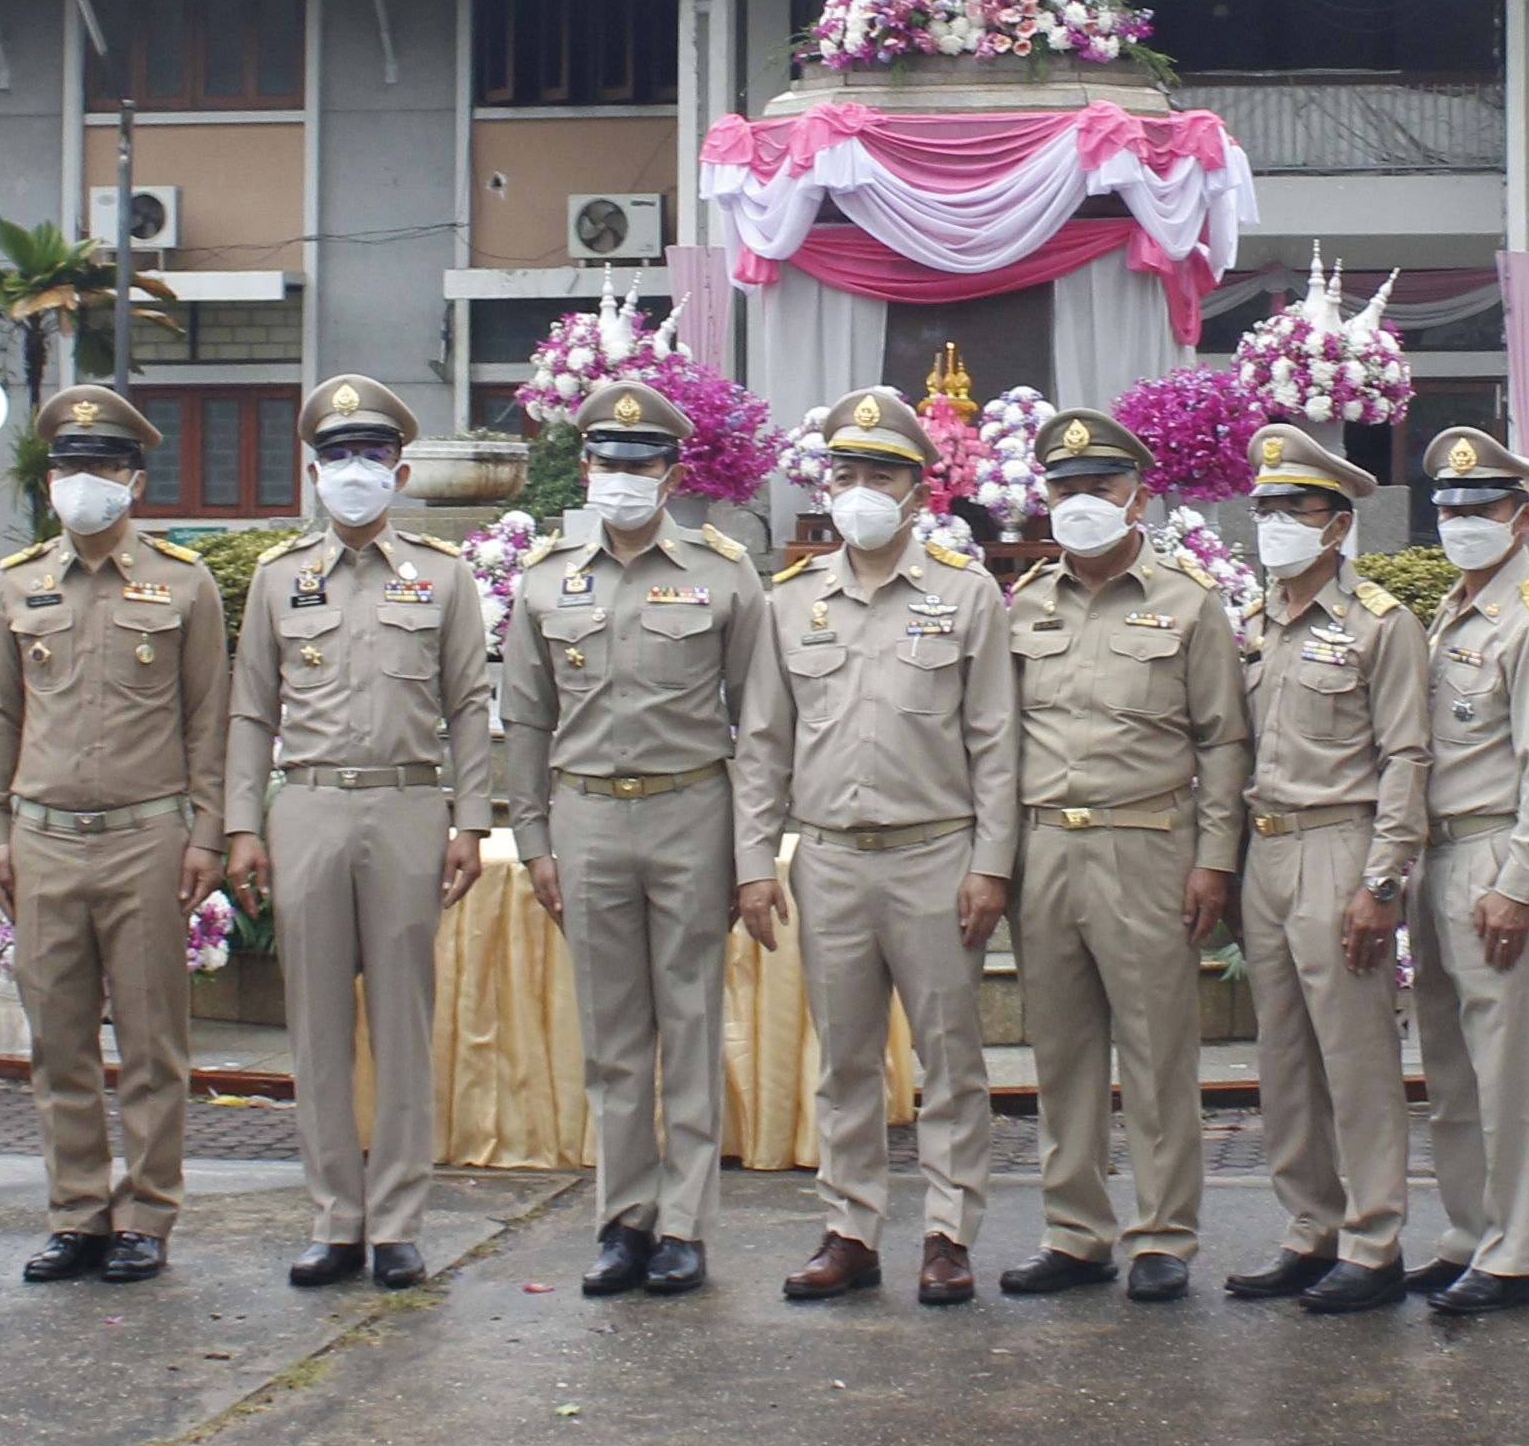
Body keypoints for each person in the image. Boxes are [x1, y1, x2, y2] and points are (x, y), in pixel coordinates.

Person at [731, 388, 1016, 1307]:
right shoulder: (794, 601)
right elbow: (765, 743)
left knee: (949, 1055)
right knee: (846, 1056)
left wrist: (992, 863)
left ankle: (948, 1232)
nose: (860, 491)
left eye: (881, 475)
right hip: (830, 860)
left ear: (918, 490)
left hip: (935, 855)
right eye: (845, 475)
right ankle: (849, 1228)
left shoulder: (965, 596)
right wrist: (752, 864)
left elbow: (995, 742)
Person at [0, 384, 228, 1284]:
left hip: (146, 837)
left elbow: (209, 721)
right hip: (40, 838)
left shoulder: (184, 585)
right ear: (50, 487)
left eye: (103, 468)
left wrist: (208, 836)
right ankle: (77, 1211)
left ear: (135, 481)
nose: (85, 483)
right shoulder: (15, 585)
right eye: (70, 468)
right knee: (58, 1038)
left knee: (153, 1040)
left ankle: (148, 1212)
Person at [224, 376, 490, 1292]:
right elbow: (250, 712)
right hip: (306, 806)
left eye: (370, 457)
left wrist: (471, 820)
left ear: (400, 470)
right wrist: (239, 825)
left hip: (411, 805)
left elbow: (468, 703)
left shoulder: (441, 575)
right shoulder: (274, 580)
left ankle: (401, 1220)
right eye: (337, 457)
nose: (353, 473)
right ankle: (336, 1216)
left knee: (405, 1021)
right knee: (318, 1026)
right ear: (312, 472)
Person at [505, 379, 765, 1299]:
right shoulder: (544, 577)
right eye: (609, 464)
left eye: (641, 465)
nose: (623, 479)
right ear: (585, 470)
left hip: (691, 811)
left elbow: (759, 725)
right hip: (584, 820)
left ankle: (686, 1224)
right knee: (613, 1034)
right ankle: (624, 1219)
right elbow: (524, 721)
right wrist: (533, 839)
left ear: (670, 473)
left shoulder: (725, 573)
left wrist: (753, 856)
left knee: (689, 1023)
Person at [992, 407, 1244, 1303]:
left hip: (1148, 846)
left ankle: (1164, 1233)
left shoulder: (1187, 603)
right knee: (1059, 1054)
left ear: (1137, 494)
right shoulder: (1025, 605)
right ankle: (1075, 1231)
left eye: (1098, 487)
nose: (1079, 502)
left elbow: (1222, 741)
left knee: (1155, 1050)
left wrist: (1214, 859)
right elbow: (998, 741)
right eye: (1064, 488)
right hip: (1046, 847)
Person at [1224, 428, 1432, 1313]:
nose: (1272, 523)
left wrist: (1382, 882)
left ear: (1338, 526)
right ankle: (1308, 1228)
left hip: (1339, 846)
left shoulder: (1380, 626)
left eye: (1292, 510)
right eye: (1264, 507)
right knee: (1284, 1058)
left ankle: (1374, 1239)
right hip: (1264, 850)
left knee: (1355, 1056)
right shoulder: (1253, 624)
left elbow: (1408, 758)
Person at [1405, 426, 1529, 1315]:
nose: (1462, 522)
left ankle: (1514, 1255)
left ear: (1523, 516)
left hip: (1497, 855)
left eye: (1481, 509)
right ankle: (1467, 1233)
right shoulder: (1454, 610)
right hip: (1437, 852)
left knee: (1507, 1073)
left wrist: (1517, 881)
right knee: (1450, 1068)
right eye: (1449, 509)